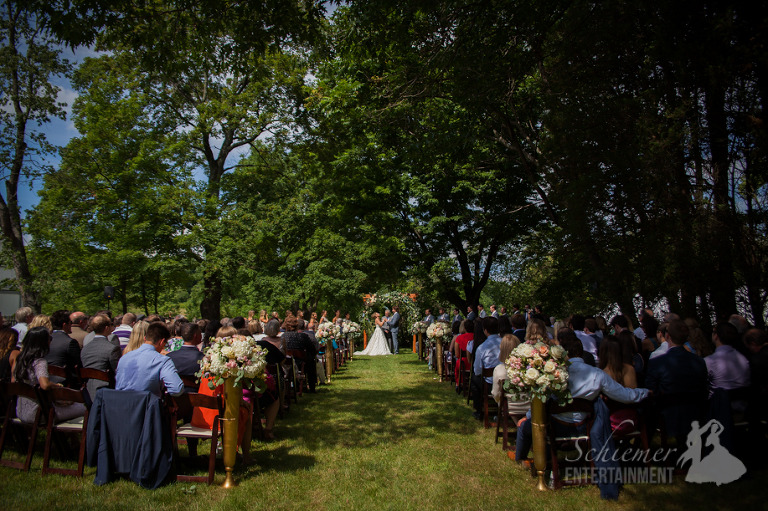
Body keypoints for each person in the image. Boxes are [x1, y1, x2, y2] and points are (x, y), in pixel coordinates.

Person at [12, 326, 86, 423]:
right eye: (50, 338)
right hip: (39, 413)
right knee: (83, 407)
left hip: (21, 411)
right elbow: (45, 385)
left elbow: (13, 381)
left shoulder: (20, 360)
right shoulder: (39, 362)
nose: (51, 341)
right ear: (43, 342)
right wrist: (56, 385)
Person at [115, 322, 184, 397]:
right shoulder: (162, 361)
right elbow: (177, 389)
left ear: (145, 338)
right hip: (146, 405)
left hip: (120, 404)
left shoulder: (124, 357)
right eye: (164, 345)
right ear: (161, 342)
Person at [80, 314, 122, 400]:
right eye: (111, 325)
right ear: (107, 328)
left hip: (88, 392)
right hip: (107, 391)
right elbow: (118, 371)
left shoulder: (85, 349)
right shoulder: (112, 349)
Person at [491, 334, 530, 418]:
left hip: (508, 406)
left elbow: (495, 394)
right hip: (528, 406)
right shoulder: (528, 370)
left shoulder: (499, 370)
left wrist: (500, 401)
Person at [46, 309, 81, 383]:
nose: (71, 325)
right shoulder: (70, 342)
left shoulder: (45, 339)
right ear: (64, 325)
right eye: (70, 323)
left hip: (45, 379)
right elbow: (77, 365)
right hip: (64, 383)